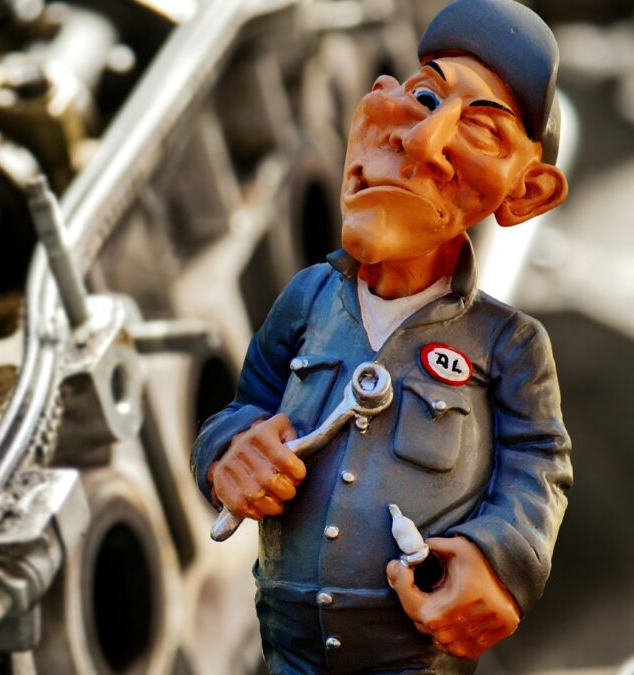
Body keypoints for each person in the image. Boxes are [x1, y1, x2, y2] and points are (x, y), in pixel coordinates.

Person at [190, 0, 572, 671]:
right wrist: (229, 455)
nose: (425, 140)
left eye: (482, 132)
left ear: (528, 191)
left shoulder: (508, 346)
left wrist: (501, 557)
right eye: (423, 95)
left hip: (413, 654)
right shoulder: (308, 300)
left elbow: (540, 464)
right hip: (288, 645)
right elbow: (241, 407)